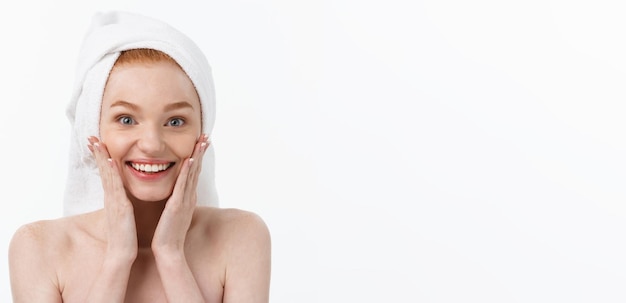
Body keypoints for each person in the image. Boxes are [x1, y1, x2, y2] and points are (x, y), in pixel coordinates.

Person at [8, 11, 271, 303]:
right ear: (93, 129)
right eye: (126, 119)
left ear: (202, 132)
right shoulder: (38, 249)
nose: (151, 144)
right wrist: (117, 258)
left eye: (175, 121)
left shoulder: (241, 238)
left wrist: (171, 255)